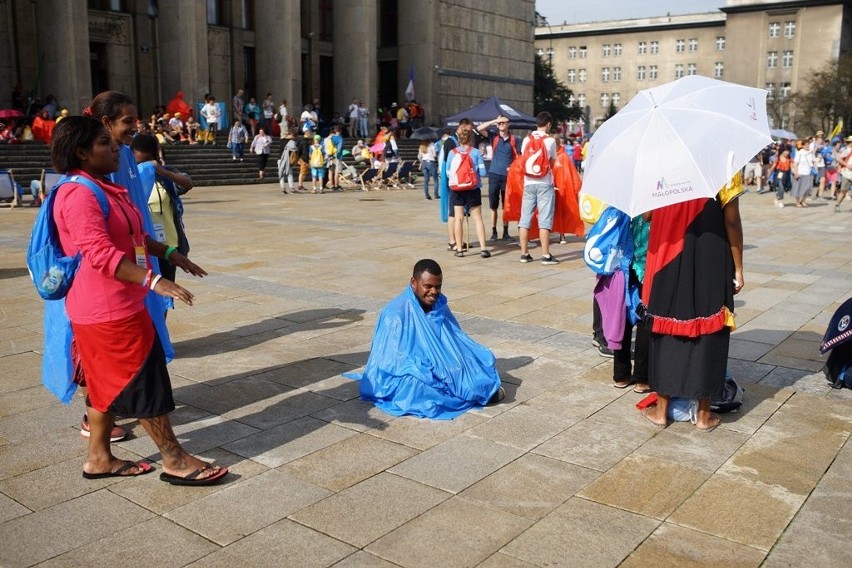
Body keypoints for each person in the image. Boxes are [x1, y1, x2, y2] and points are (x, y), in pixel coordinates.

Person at [49, 116, 227, 484]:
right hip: (107, 310)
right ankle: (174, 459)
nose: (115, 147)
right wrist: (154, 280)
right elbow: (98, 253)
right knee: (144, 383)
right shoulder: (79, 194)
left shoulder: (104, 188)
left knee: (103, 386)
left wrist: (172, 253)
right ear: (81, 152)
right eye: (104, 142)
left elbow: (133, 237)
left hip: (117, 305)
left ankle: (98, 459)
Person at [640, 174, 745, 432]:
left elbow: (646, 216)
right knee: (710, 326)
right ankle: (704, 415)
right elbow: (731, 220)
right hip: (710, 254)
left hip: (666, 254)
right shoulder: (723, 166)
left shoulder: (661, 164)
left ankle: (662, 412)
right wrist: (739, 266)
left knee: (665, 326)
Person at [351, 259, 503, 419]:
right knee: (416, 387)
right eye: (428, 286)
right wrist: (424, 367)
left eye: (438, 286)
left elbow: (455, 339)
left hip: (440, 362)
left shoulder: (438, 304)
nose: (434, 292)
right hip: (410, 369)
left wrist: (450, 365)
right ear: (413, 282)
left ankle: (473, 389)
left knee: (473, 367)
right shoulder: (395, 314)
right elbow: (390, 360)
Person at [132, 133, 193, 289]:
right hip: (143, 245)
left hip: (168, 246)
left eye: (145, 162)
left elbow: (188, 183)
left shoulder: (165, 176)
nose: (141, 166)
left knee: (166, 293)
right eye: (137, 162)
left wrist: (163, 172)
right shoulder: (131, 178)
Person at [518, 111, 559, 265]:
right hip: (545, 183)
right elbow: (553, 162)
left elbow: (523, 158)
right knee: (545, 219)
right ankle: (545, 255)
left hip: (528, 182)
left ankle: (524, 253)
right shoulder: (550, 141)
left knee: (525, 218)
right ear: (548, 124)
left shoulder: (526, 139)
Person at [448, 129, 490, 258]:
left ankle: (459, 249)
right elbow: (483, 173)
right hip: (473, 189)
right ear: (471, 139)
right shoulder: (476, 152)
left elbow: (448, 173)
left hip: (457, 189)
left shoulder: (452, 153)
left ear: (459, 139)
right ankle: (483, 249)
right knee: (477, 218)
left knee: (458, 219)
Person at [477, 115, 520, 241]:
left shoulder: (514, 139)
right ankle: (494, 231)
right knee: (493, 206)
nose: (501, 124)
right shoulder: (493, 136)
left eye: (504, 122)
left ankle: (505, 232)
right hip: (494, 174)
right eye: (500, 123)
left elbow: (518, 157)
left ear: (508, 124)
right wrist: (494, 120)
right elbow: (479, 128)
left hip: (507, 177)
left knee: (505, 205)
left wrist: (512, 166)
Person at [791, 139, 814, 208]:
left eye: (808, 144)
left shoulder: (810, 153)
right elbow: (795, 163)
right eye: (806, 145)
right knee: (798, 188)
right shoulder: (800, 152)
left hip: (808, 172)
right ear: (803, 145)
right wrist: (796, 173)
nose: (808, 146)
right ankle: (797, 202)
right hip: (800, 172)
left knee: (808, 188)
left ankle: (803, 200)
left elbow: (812, 161)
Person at [836, 135, 852, 212]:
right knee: (844, 191)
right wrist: (847, 165)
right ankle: (837, 205)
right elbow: (838, 158)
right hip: (847, 173)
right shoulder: (847, 150)